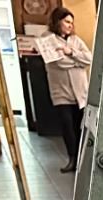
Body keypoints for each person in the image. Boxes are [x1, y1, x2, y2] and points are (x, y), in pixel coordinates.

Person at [42, 7, 93, 172]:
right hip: (61, 93)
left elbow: (89, 59)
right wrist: (78, 62)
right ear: (58, 22)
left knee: (80, 127)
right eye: (67, 22)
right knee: (67, 127)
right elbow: (59, 62)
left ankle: (82, 160)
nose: (70, 25)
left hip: (80, 93)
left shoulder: (76, 41)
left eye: (72, 22)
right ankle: (72, 158)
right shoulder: (47, 39)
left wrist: (71, 52)